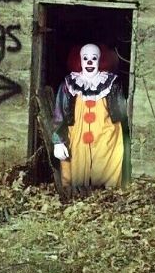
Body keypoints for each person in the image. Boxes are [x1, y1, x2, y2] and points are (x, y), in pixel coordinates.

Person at [51, 43, 131, 189]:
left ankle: (108, 197)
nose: (89, 62)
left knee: (107, 176)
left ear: (100, 61)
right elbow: (59, 115)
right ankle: (78, 198)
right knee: (77, 178)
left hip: (106, 138)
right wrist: (58, 141)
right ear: (79, 60)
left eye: (94, 58)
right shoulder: (68, 85)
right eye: (85, 58)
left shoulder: (112, 83)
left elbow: (122, 114)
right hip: (77, 137)